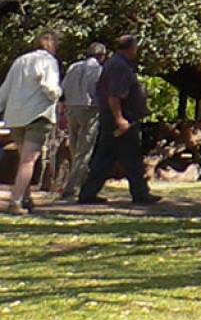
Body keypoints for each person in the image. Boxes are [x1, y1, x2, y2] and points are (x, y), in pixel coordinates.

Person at [78, 33, 156, 206]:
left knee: (105, 158)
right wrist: (120, 118)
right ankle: (141, 194)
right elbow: (114, 96)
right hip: (121, 119)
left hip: (114, 118)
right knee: (132, 157)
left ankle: (88, 193)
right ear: (130, 48)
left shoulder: (115, 63)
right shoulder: (119, 66)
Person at [0, 29, 60, 212]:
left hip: (16, 116)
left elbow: (4, 90)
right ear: (53, 45)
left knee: (22, 158)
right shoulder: (49, 61)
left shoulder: (20, 61)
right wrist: (58, 94)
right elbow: (50, 87)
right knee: (29, 160)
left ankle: (25, 197)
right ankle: (15, 201)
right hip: (37, 115)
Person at [47, 43, 104, 197]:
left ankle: (84, 186)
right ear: (101, 56)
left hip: (71, 108)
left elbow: (63, 89)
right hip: (89, 109)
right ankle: (71, 188)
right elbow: (99, 91)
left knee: (74, 147)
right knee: (84, 150)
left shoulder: (74, 67)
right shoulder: (98, 70)